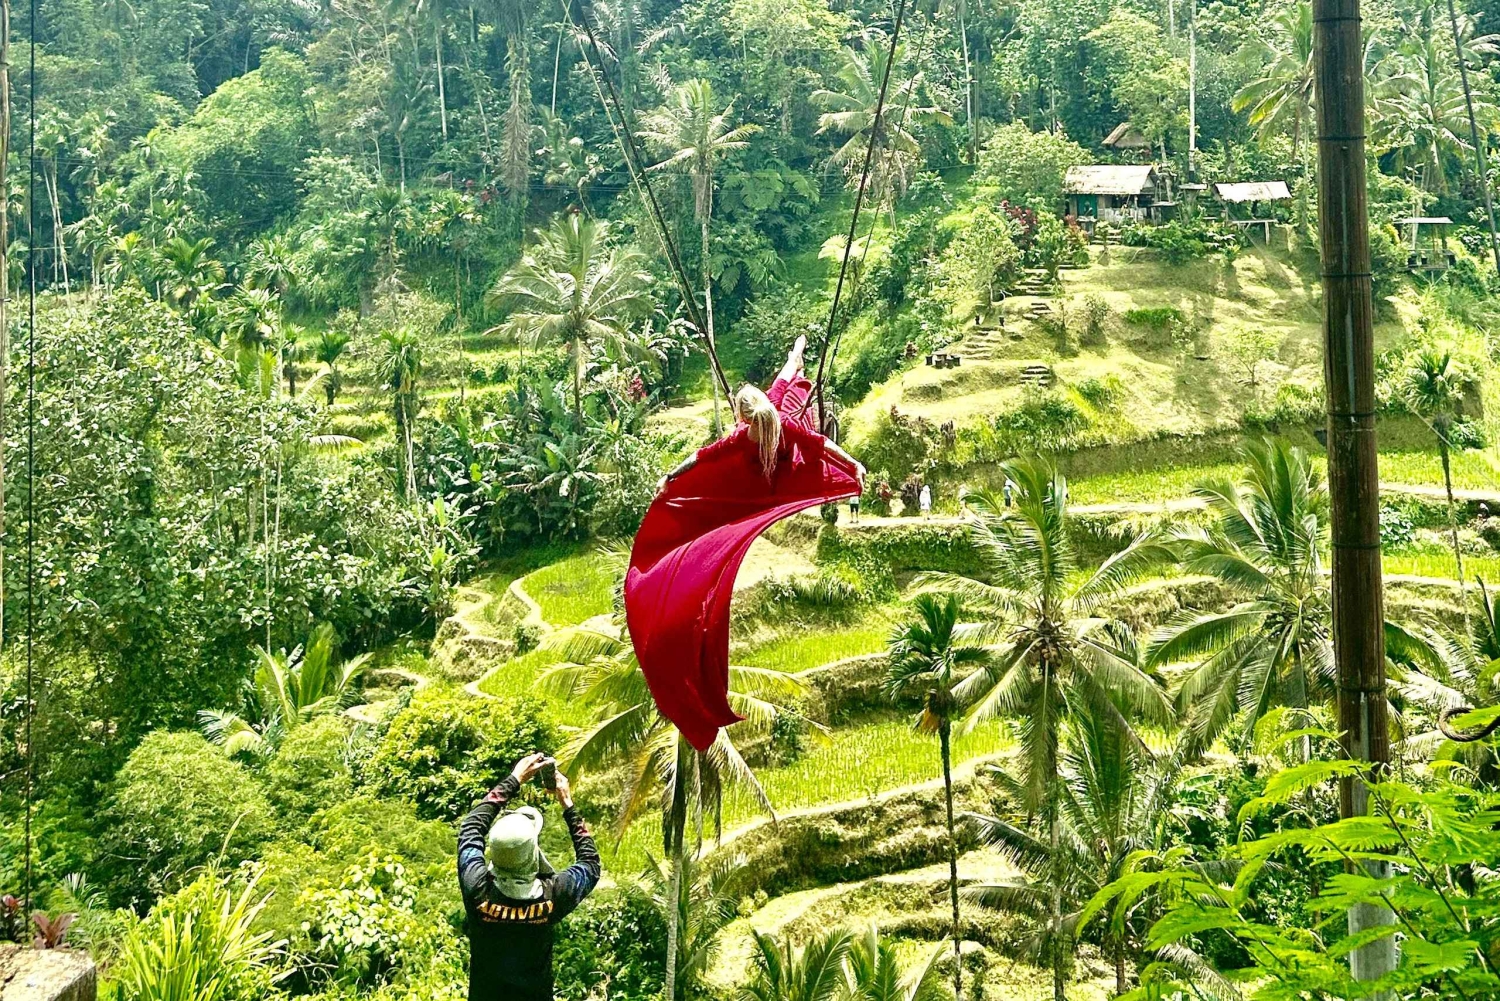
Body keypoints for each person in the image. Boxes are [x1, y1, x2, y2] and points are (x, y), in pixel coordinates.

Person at [458, 752, 600, 1001]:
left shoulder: (476, 888)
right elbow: (590, 863)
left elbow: (471, 827)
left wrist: (514, 779)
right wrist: (567, 804)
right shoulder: (553, 895)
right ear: (533, 852)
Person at [659, 335, 865, 490]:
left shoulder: (741, 436)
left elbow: (701, 456)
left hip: (779, 417)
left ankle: (796, 358)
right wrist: (854, 463)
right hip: (777, 414)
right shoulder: (779, 420)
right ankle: (796, 361)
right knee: (787, 385)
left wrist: (669, 476)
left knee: (788, 389)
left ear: (742, 417)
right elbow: (822, 442)